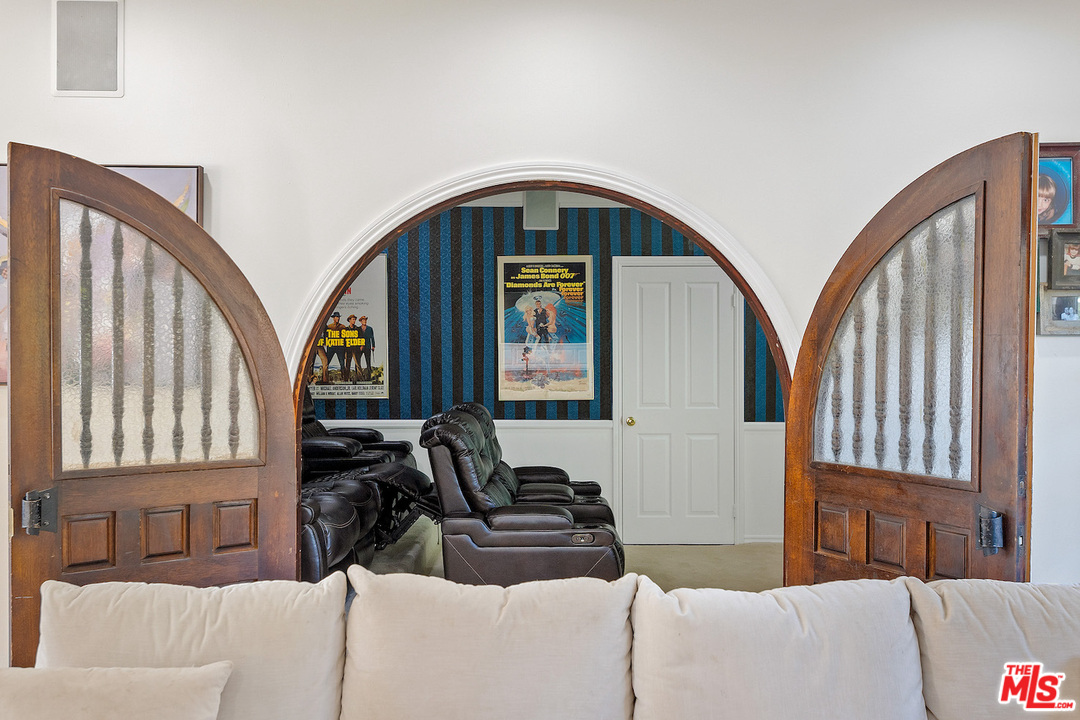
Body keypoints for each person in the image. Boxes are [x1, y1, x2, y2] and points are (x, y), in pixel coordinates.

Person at [356, 315, 376, 380]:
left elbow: (372, 338)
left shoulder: (370, 328)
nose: (364, 321)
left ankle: (368, 377)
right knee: (357, 362)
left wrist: (373, 346)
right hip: (359, 348)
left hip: (367, 347)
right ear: (361, 321)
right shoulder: (358, 329)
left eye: (365, 320)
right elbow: (357, 338)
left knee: (368, 362)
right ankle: (358, 377)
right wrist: (359, 346)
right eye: (363, 320)